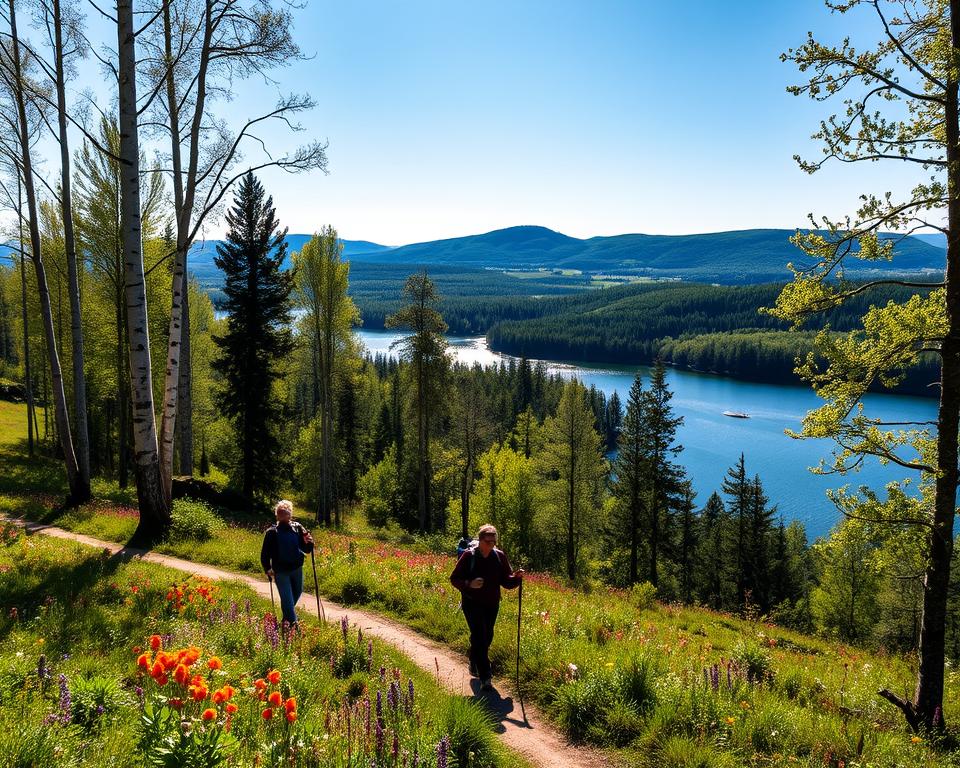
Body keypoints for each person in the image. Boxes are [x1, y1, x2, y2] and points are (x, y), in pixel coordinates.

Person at [449, 523, 524, 690]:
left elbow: (506, 581)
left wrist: (517, 578)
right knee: (480, 636)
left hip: (492, 603)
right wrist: (469, 583)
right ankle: (486, 676)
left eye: (494, 541)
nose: (492, 544)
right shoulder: (469, 556)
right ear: (481, 540)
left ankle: (473, 658)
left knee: (487, 636)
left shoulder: (499, 557)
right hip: (472, 603)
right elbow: (454, 578)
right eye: (489, 541)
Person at [260, 499, 314, 629]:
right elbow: (265, 554)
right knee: (287, 599)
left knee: (296, 594)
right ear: (277, 514)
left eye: (285, 512)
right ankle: (294, 626)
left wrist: (310, 542)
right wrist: (267, 568)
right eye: (280, 512)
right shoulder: (272, 532)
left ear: (290, 514)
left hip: (297, 569)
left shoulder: (298, 528)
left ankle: (285, 621)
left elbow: (306, 549)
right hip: (281, 571)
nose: (283, 514)